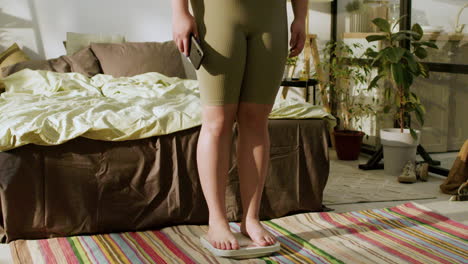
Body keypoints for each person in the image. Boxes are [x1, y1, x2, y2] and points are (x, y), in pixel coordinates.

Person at [171, 0, 307, 251]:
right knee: (218, 120)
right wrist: (180, 11)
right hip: (218, 15)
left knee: (256, 120)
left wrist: (301, 17)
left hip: (272, 18)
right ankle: (217, 219)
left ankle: (251, 218)